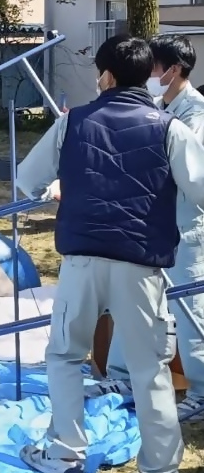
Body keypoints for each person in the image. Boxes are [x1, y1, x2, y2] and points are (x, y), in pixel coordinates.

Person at [15, 34, 204, 473]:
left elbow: (27, 179)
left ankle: (66, 452)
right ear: (149, 76)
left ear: (107, 75)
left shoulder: (72, 122)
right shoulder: (170, 128)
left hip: (83, 259)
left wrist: (62, 187)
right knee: (150, 369)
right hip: (142, 264)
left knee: (65, 356)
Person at [90, 35, 204, 423]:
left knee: (188, 310)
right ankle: (122, 377)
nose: (147, 72)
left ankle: (200, 391)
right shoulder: (157, 106)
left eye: (153, 65)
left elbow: (185, 171)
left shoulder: (196, 113)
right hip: (149, 225)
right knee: (134, 302)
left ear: (174, 69)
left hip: (186, 229)